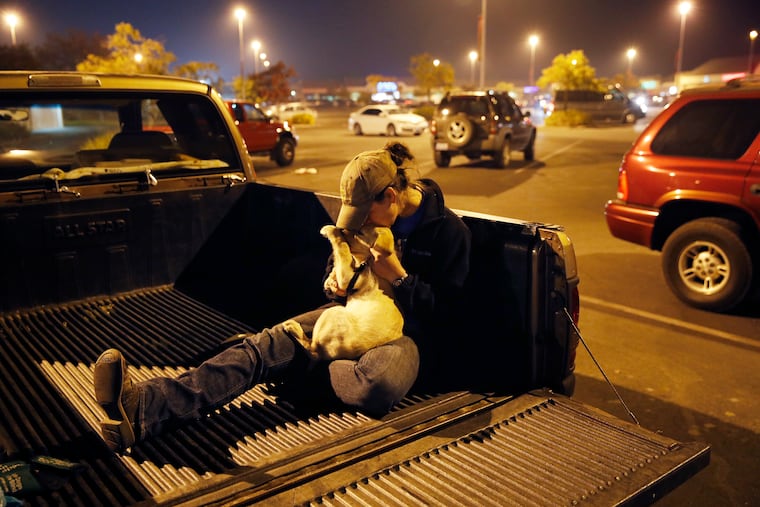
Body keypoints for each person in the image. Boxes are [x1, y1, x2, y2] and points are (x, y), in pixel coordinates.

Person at [93, 142, 471, 452]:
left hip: (402, 337)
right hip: (351, 314)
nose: (358, 223)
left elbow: (448, 318)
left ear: (390, 196)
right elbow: (331, 271)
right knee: (264, 344)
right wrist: (332, 285)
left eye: (363, 213)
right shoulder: (368, 220)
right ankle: (144, 407)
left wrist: (400, 278)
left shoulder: (448, 232)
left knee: (377, 384)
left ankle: (297, 368)